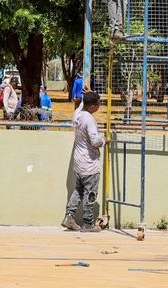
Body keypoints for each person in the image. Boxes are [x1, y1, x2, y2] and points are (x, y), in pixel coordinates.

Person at [63, 91, 105, 232]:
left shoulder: (77, 114)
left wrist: (88, 94)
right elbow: (95, 141)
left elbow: (82, 104)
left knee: (79, 190)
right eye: (98, 104)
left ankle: (69, 216)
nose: (99, 106)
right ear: (92, 106)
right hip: (89, 162)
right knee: (90, 192)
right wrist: (104, 141)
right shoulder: (89, 119)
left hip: (79, 160)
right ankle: (88, 223)